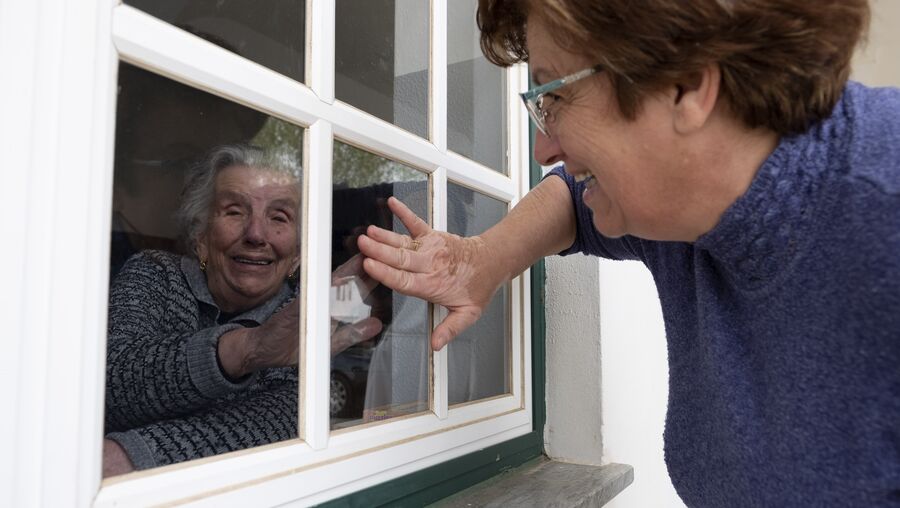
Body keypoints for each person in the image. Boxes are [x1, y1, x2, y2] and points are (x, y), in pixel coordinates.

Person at [356, 1, 900, 506]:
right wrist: (480, 261)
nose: (543, 149)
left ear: (686, 84)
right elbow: (571, 202)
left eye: (555, 97)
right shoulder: (682, 206)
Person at [103, 144, 382, 476]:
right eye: (234, 212)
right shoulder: (155, 273)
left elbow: (287, 419)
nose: (255, 234)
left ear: (297, 253)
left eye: (279, 217)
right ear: (201, 236)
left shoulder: (307, 317)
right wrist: (248, 348)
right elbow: (110, 386)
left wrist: (129, 455)